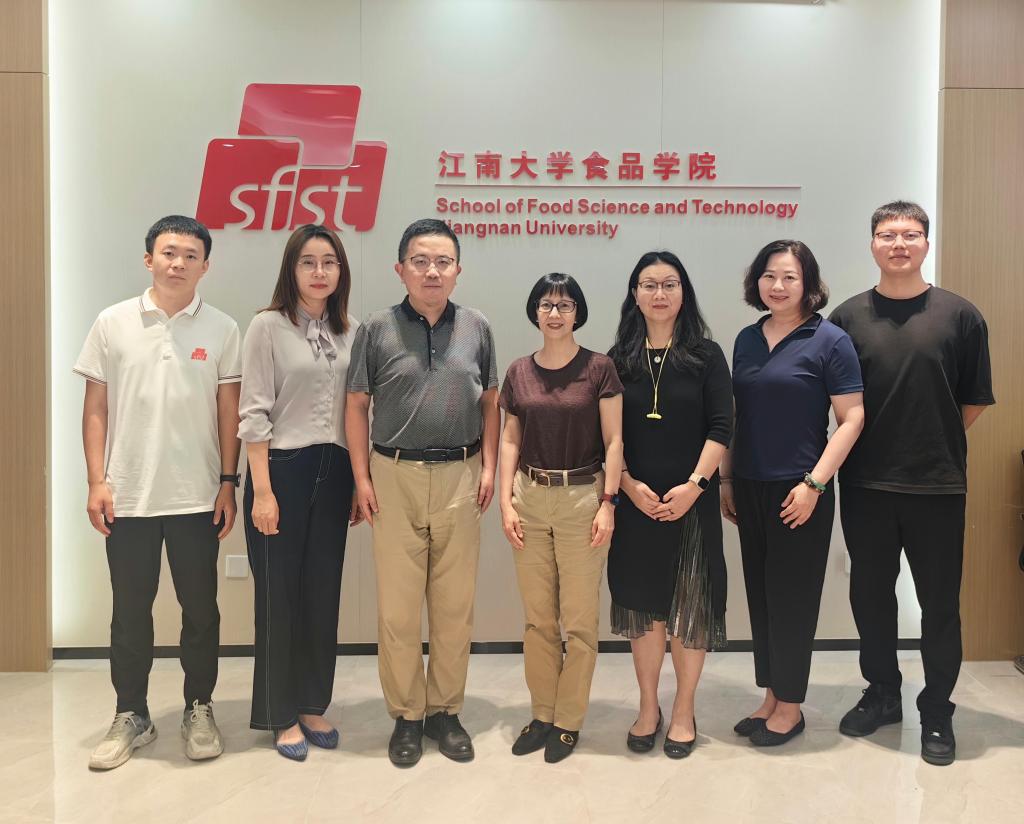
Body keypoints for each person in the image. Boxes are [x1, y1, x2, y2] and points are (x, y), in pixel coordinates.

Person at [829, 201, 994, 766]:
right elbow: (837, 401)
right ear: (872, 244)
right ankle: (882, 693)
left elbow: (973, 400)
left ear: (926, 242)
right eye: (887, 234)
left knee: (939, 604)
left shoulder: (961, 316)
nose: (898, 243)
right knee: (870, 597)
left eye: (910, 234)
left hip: (937, 485)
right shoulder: (846, 319)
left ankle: (938, 709)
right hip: (865, 484)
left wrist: (930, 438)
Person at [76, 215, 241, 770]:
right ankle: (132, 713)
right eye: (169, 253)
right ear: (149, 259)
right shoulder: (112, 322)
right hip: (128, 496)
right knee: (129, 612)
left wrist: (228, 483)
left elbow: (229, 413)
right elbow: (96, 408)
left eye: (191, 255)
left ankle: (199, 707)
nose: (178, 263)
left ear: (205, 266)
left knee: (201, 611)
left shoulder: (223, 328)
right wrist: (97, 480)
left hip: (198, 496)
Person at [345, 218, 499, 767]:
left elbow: (491, 402)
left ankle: (445, 712)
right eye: (420, 261)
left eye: (442, 262)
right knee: (399, 610)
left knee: (454, 607)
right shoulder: (377, 328)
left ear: (457, 270)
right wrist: (362, 479)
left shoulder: (477, 327)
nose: (432, 271)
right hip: (394, 476)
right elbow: (357, 404)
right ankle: (407, 715)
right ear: (401, 269)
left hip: (462, 474)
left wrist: (490, 467)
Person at [721, 240, 864, 747]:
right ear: (756, 282)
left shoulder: (830, 340)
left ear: (808, 284)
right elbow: (736, 416)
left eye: (789, 277)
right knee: (762, 596)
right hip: (750, 484)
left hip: (801, 489)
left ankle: (792, 707)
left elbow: (852, 418)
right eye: (769, 276)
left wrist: (814, 484)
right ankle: (771, 696)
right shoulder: (746, 339)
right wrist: (727, 479)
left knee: (792, 600)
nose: (777, 286)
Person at [239, 224, 360, 760]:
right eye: (308, 262)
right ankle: (280, 713)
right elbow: (253, 412)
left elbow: (358, 411)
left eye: (329, 262)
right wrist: (263, 492)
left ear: (341, 271)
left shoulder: (351, 330)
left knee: (322, 592)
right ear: (292, 269)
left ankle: (312, 703)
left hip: (335, 470)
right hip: (281, 471)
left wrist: (358, 480)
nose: (319, 272)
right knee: (278, 597)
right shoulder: (267, 326)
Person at [606, 251, 732, 758]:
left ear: (684, 293)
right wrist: (628, 486)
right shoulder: (617, 360)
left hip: (692, 503)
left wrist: (695, 486)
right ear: (634, 294)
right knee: (643, 608)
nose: (659, 293)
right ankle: (647, 707)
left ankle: (683, 709)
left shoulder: (706, 355)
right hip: (635, 503)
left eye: (670, 284)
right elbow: (606, 436)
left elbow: (722, 426)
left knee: (690, 606)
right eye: (649, 284)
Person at [499, 273, 624, 763]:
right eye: (547, 304)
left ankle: (568, 721)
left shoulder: (599, 368)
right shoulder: (518, 371)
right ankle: (542, 714)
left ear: (578, 313)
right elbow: (510, 438)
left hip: (582, 500)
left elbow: (614, 441)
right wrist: (506, 501)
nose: (555, 313)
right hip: (529, 496)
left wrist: (608, 502)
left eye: (565, 305)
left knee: (579, 620)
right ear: (535, 311)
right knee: (538, 620)